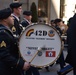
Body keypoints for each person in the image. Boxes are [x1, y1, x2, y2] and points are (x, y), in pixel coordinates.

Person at [0, 8, 30, 75]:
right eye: (10, 16)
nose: (13, 18)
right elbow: (3, 54)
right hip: (7, 70)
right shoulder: (2, 33)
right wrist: (20, 64)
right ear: (5, 19)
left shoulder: (6, 31)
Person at [21, 11, 40, 75]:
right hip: (27, 45)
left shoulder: (29, 23)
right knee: (31, 64)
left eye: (31, 15)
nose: (30, 17)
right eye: (29, 15)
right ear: (25, 16)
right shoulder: (23, 23)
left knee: (30, 66)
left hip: (31, 44)